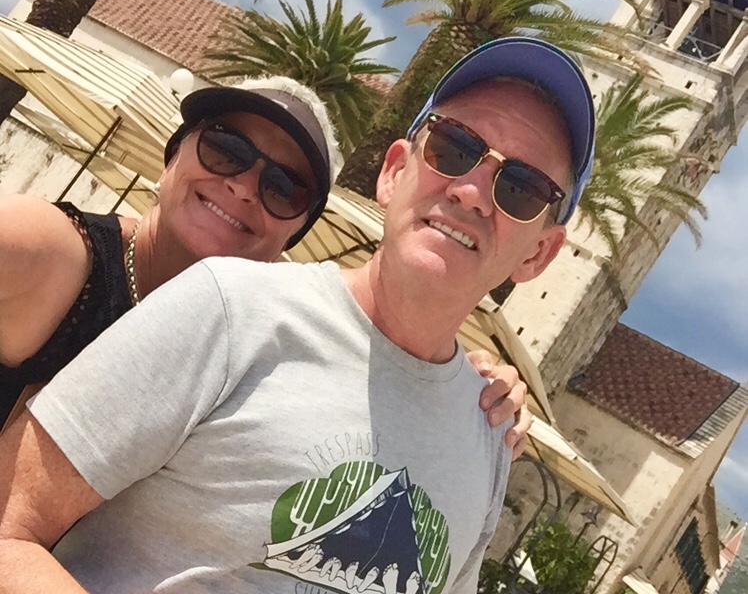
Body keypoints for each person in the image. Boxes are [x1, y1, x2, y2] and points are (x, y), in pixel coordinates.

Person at [0, 37, 594, 594]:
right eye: (455, 147)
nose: (471, 189)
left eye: (522, 188)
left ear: (538, 253)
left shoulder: (491, 438)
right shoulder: (230, 307)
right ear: (396, 170)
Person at [0, 75, 529, 442]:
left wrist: (470, 387)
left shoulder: (263, 342)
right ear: (174, 153)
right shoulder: (56, 255)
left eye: (284, 187)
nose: (244, 187)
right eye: (226, 149)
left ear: (295, 231)